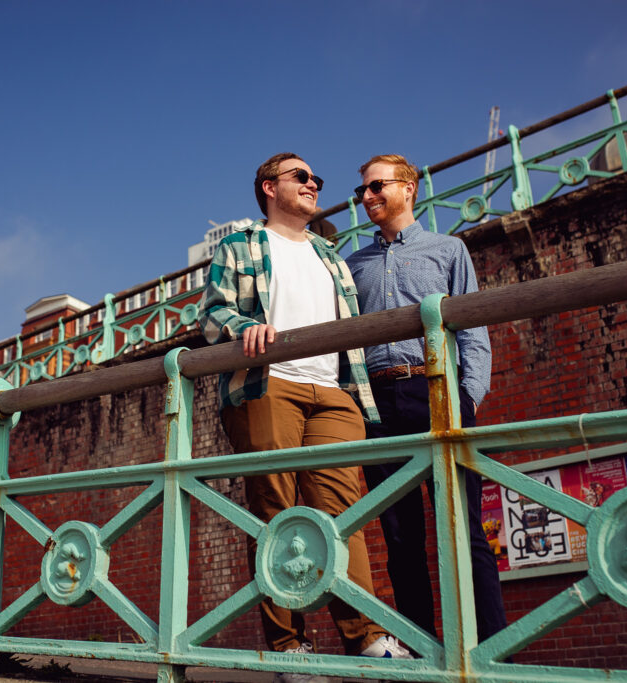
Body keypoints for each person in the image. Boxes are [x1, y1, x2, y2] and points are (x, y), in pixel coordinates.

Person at [199, 153, 410, 681]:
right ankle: (288, 646)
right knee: (276, 513)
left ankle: (365, 638)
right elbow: (212, 313)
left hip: (335, 392)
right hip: (269, 384)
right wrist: (241, 326)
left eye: (316, 178)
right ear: (270, 188)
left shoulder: (330, 253)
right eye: (302, 177)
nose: (314, 183)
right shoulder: (242, 245)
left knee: (345, 518)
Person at [344, 154, 508, 646]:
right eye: (363, 192)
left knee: (464, 529)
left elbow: (474, 332)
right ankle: (421, 651)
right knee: (400, 539)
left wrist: (468, 397)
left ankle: (492, 648)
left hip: (437, 391)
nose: (368, 197)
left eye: (377, 187)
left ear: (409, 187)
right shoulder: (353, 266)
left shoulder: (449, 250)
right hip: (377, 403)